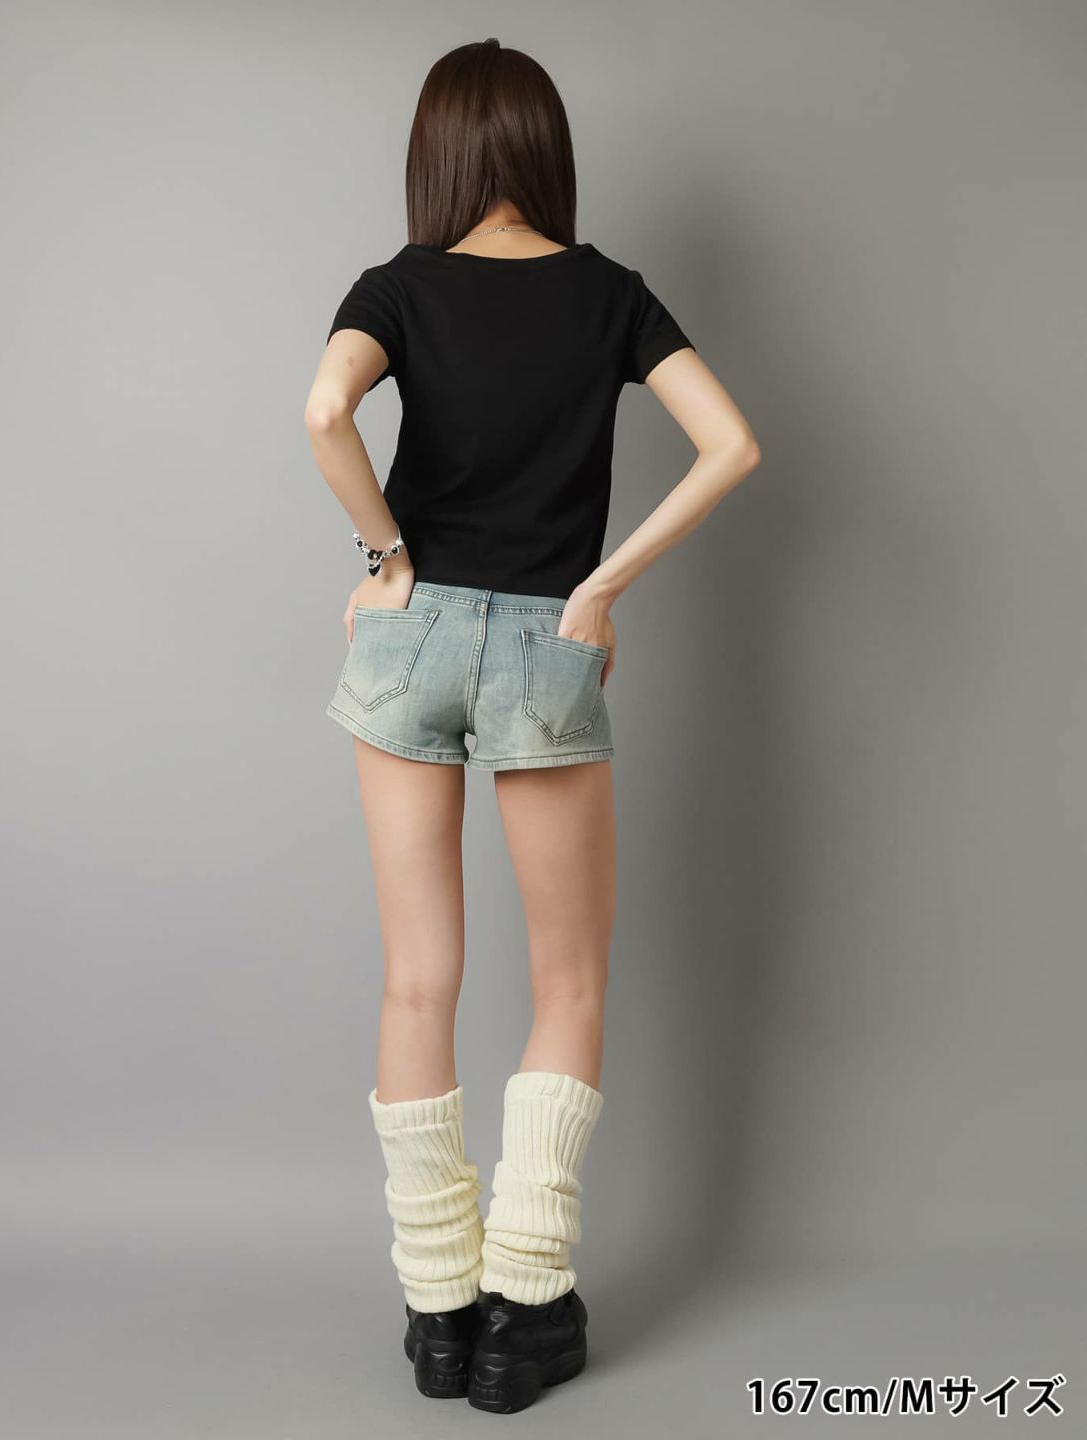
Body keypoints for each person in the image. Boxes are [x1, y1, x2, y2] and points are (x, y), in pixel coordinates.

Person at [304, 37, 760, 1415]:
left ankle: (439, 1313)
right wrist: (602, 586)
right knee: (568, 983)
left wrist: (387, 556)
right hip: (544, 647)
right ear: (546, 151)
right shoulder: (609, 293)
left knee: (416, 981)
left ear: (438, 151)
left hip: (411, 633)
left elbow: (325, 411)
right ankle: (524, 1310)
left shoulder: (397, 285)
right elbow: (733, 445)